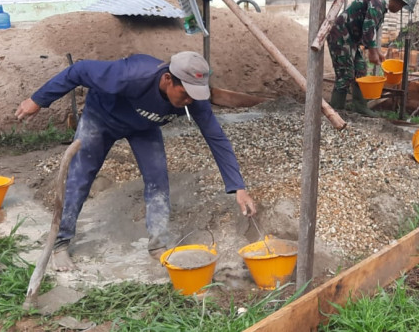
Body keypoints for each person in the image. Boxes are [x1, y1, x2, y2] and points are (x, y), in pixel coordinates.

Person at [15, 51, 257, 270]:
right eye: (185, 94)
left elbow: (216, 138)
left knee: (158, 180)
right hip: (101, 118)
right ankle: (60, 243)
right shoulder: (130, 76)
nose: (190, 101)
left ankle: (157, 247)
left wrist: (238, 187)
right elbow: (78, 71)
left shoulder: (193, 99)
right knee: (81, 176)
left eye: (195, 96)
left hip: (144, 126)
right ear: (168, 80)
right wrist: (38, 100)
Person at [327, 0, 414, 116]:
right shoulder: (378, 2)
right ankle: (335, 110)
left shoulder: (381, 3)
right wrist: (372, 53)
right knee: (345, 74)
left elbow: (370, 30)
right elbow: (369, 27)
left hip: (351, 39)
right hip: (340, 35)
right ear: (397, 1)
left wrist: (377, 52)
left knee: (361, 69)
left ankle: (360, 106)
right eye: (402, 6)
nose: (400, 9)